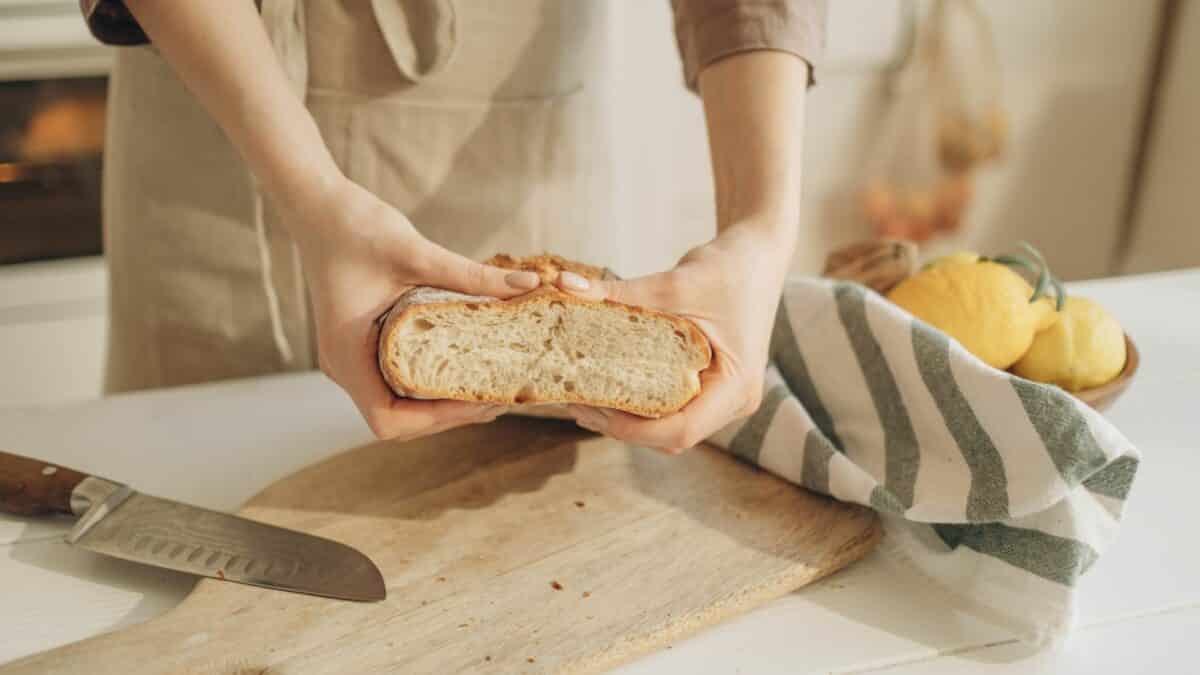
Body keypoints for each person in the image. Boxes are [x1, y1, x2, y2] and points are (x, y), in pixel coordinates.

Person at [82, 0, 825, 453]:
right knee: (195, 482)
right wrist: (307, 190)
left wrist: (762, 227)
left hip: (509, 111)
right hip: (214, 89)